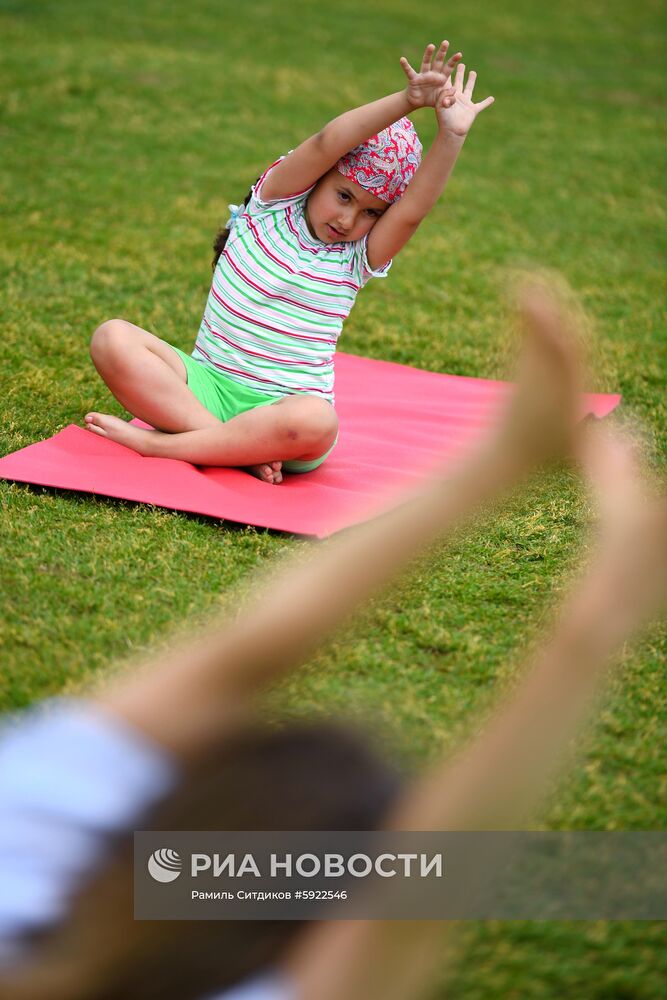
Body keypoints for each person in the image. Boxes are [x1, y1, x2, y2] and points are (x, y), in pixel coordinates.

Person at [1, 283, 665, 1000]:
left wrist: (500, 464)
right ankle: (202, 443)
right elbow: (407, 912)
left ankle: (187, 444)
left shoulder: (24, 836)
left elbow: (241, 653)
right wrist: (594, 619)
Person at [83, 41, 494, 484]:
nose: (348, 218)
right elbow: (327, 141)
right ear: (320, 176)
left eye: (371, 212)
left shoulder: (357, 256)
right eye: (344, 196)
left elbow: (412, 212)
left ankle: (161, 444)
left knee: (319, 422)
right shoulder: (272, 203)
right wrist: (408, 100)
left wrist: (451, 135)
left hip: (282, 417)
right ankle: (230, 446)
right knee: (112, 339)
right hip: (203, 389)